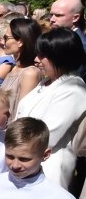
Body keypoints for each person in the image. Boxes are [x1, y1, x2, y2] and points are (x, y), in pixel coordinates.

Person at [15, 28, 86, 189]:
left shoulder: (73, 89)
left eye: (42, 56)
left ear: (61, 57)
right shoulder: (47, 82)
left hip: (48, 169)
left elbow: (47, 135)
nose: (36, 60)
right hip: (24, 162)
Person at [0, 18, 42, 119]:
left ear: (20, 42)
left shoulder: (30, 73)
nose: (2, 41)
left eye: (6, 38)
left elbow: (21, 114)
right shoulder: (14, 67)